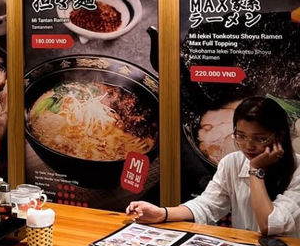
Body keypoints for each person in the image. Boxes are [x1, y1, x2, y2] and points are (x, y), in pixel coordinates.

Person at [127, 96, 300, 237]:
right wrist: (162, 213)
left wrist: (255, 171)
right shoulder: (232, 162)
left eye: (260, 138)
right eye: (241, 136)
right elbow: (208, 205)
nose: (248, 146)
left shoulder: (298, 170)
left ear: (279, 136)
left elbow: (270, 225)